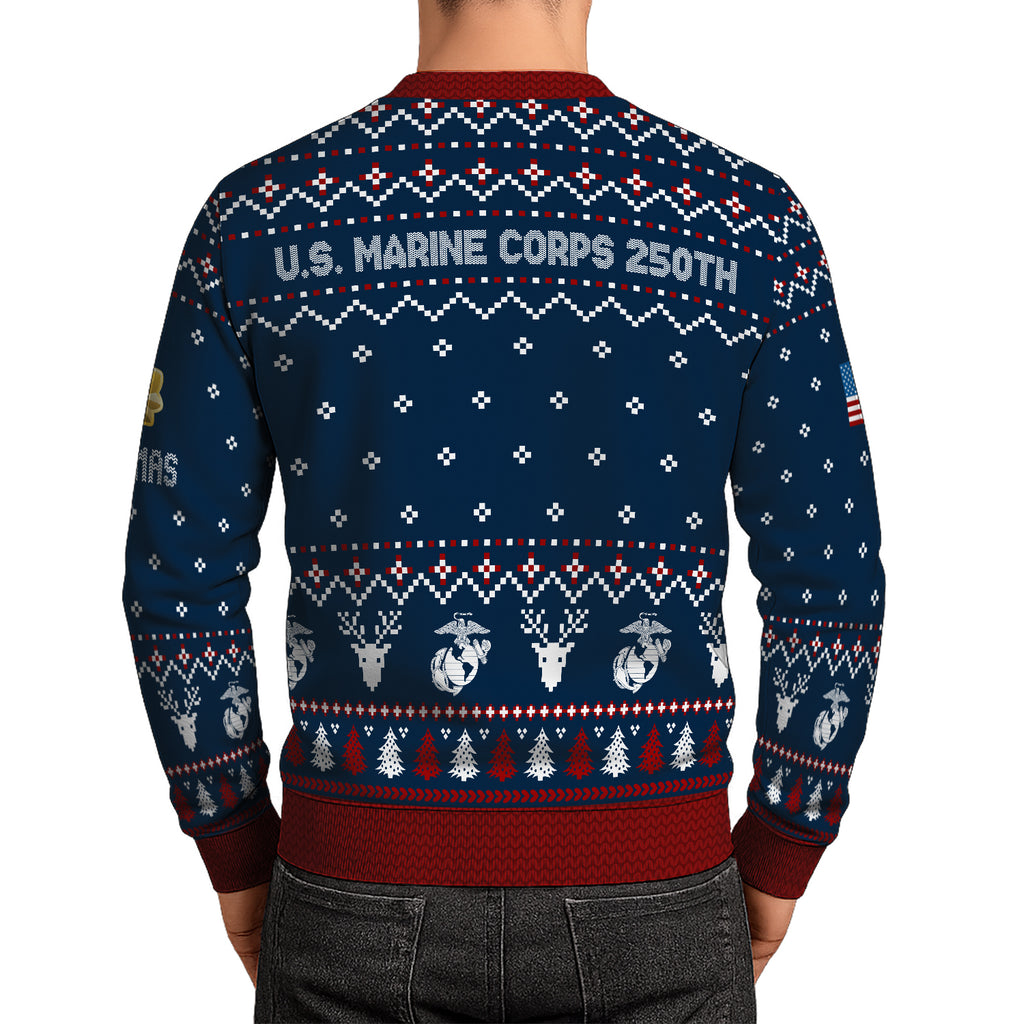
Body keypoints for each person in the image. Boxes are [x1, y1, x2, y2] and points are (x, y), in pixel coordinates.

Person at [121, 0, 885, 1019]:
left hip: (352, 885)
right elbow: (832, 574)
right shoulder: (745, 223)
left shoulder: (262, 220)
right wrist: (786, 837)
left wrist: (234, 841)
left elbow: (177, 576)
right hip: (655, 887)